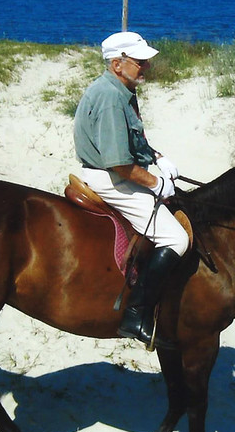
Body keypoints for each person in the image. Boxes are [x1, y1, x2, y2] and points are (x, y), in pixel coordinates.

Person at [73, 31, 189, 349]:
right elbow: (119, 163)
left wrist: (158, 158)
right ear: (117, 63)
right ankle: (135, 315)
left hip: (116, 172)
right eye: (140, 62)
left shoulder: (121, 89)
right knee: (176, 239)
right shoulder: (111, 99)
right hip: (110, 179)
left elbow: (131, 142)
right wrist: (156, 182)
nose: (146, 67)